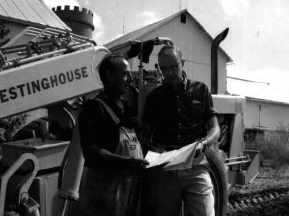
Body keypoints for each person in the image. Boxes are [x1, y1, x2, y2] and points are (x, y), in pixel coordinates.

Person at [142, 45, 220, 216]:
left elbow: (215, 128)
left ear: (182, 63)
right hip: (165, 169)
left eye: (173, 67)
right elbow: (144, 134)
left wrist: (205, 143)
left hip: (196, 165)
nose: (169, 73)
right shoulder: (154, 98)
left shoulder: (201, 90)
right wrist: (153, 147)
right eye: (164, 69)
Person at [78, 53, 149, 216]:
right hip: (102, 195)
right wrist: (127, 163)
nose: (131, 79)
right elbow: (90, 152)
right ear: (109, 76)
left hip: (128, 193)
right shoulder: (94, 109)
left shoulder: (126, 109)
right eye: (125, 74)